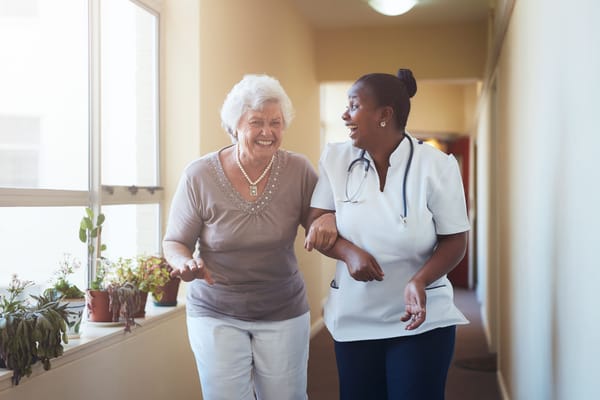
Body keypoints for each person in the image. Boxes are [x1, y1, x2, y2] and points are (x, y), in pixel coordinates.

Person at [163, 74, 335, 400]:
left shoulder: (298, 170)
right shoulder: (199, 175)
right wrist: (184, 262)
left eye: (276, 122)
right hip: (216, 309)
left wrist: (326, 217)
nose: (268, 132)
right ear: (235, 127)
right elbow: (175, 241)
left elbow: (320, 216)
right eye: (256, 122)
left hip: (282, 307)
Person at [305, 69, 470, 400]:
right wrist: (348, 251)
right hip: (355, 315)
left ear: (384, 115)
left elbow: (455, 240)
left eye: (353, 106)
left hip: (421, 318)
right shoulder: (336, 160)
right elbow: (317, 223)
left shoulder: (437, 166)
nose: (344, 115)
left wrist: (420, 280)